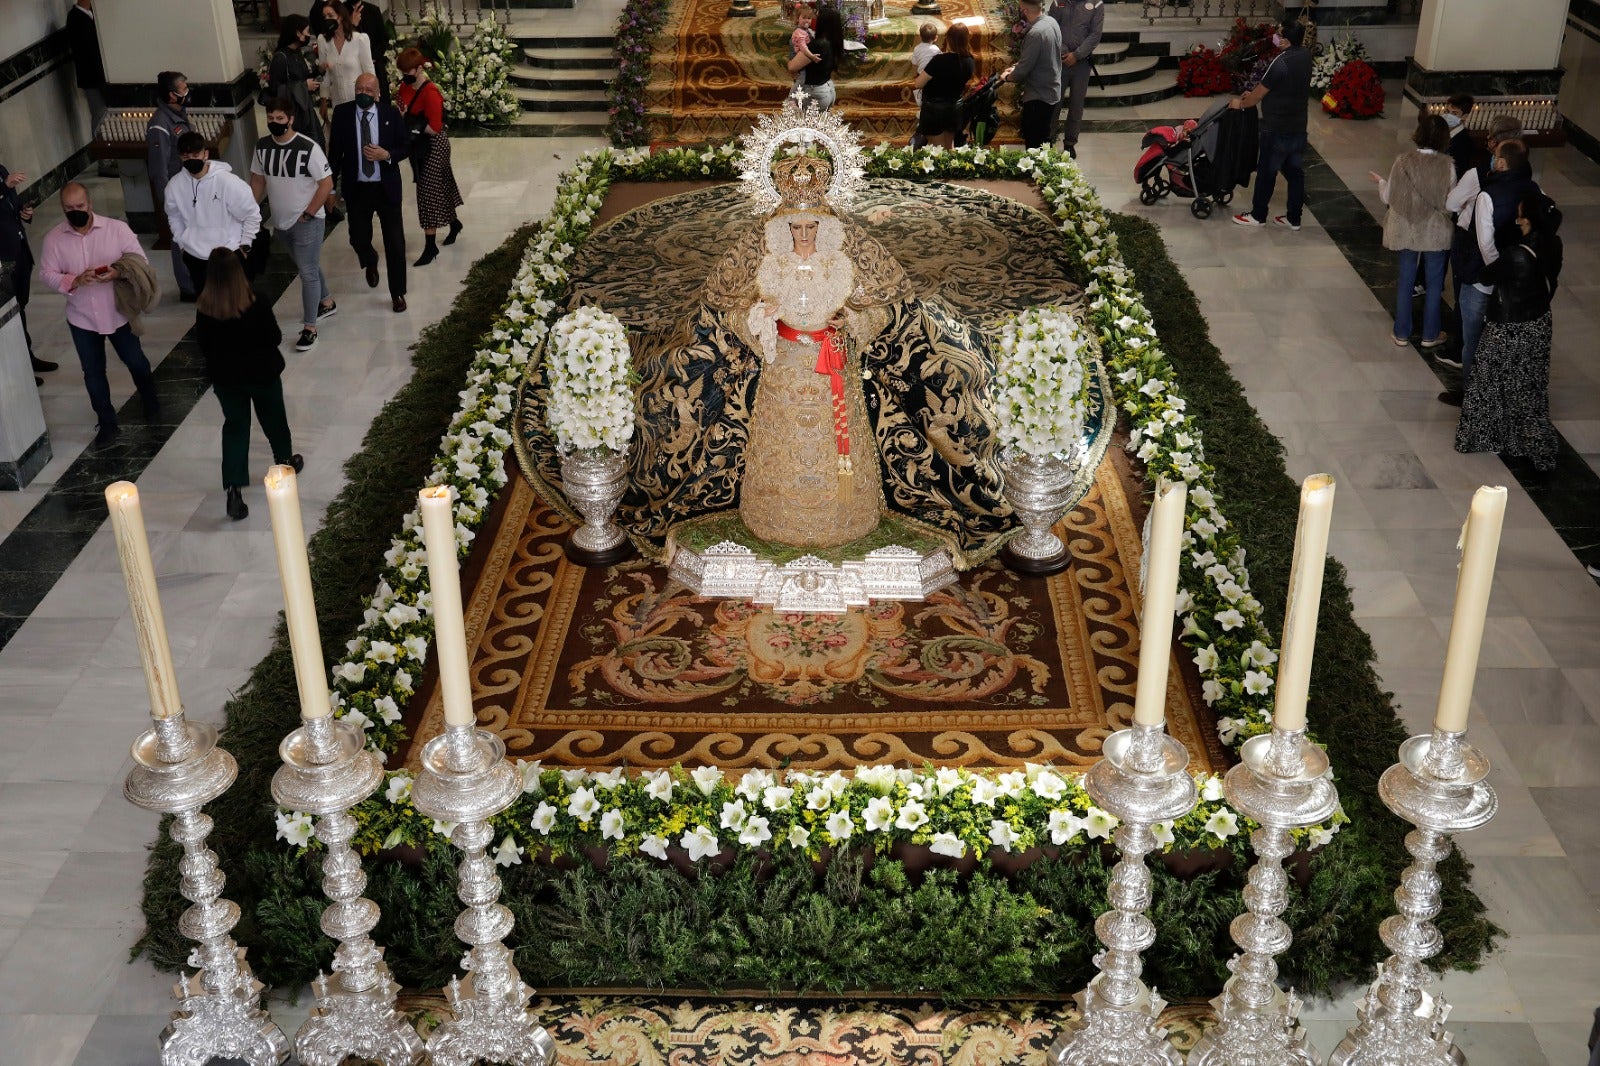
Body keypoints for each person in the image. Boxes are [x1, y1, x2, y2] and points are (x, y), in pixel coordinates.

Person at [38, 183, 160, 448]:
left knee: (136, 361)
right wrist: (74, 279)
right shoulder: (54, 238)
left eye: (79, 207)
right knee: (92, 373)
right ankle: (107, 423)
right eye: (69, 209)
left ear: (90, 204)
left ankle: (150, 400)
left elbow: (140, 261)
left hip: (117, 312)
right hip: (82, 317)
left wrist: (117, 272)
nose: (75, 212)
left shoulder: (116, 230)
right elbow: (47, 274)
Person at [1454, 192, 1562, 471]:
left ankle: (1492, 436)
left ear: (1524, 219)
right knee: (1528, 384)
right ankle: (1524, 440)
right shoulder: (1553, 243)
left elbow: (1487, 275)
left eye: (1519, 211)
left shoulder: (1517, 255)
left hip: (1509, 326)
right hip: (1538, 323)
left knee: (1489, 380)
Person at [195, 248, 303, 521]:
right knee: (274, 419)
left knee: (235, 428)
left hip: (227, 380)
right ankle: (284, 462)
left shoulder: (205, 309)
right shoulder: (257, 301)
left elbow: (204, 347)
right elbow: (275, 337)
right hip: (262, 374)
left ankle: (233, 488)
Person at [1439, 139, 1539, 399]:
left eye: (1495, 155)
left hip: (1483, 277)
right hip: (1515, 279)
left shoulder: (1488, 194)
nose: (1491, 159)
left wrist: (1497, 274)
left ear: (1502, 163)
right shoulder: (1534, 188)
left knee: (1472, 338)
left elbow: (1485, 243)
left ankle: (1471, 396)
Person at [251, 97, 337, 351]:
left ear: (290, 119)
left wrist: (309, 213)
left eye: (280, 118)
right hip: (281, 223)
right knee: (306, 264)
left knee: (307, 271)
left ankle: (310, 328)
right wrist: (251, 209)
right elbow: (257, 179)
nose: (274, 123)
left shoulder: (307, 147)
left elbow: (327, 183)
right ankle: (327, 302)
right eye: (270, 118)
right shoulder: (262, 146)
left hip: (306, 221)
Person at [1369, 113, 1454, 350]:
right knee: (1434, 284)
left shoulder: (1402, 161)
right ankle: (1430, 334)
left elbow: (1389, 197)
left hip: (1405, 228)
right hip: (1435, 231)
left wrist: (1381, 182)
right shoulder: (1447, 165)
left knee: (1406, 281)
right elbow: (1450, 203)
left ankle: (1401, 333)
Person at [328, 72, 410, 312]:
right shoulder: (343, 114)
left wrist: (387, 155)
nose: (363, 94)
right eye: (359, 89)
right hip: (358, 189)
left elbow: (405, 146)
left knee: (395, 243)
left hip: (386, 188)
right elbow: (334, 155)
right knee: (358, 237)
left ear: (377, 94)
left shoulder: (390, 114)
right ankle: (370, 259)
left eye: (368, 90)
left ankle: (397, 293)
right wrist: (331, 188)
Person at [1229, 18, 1312, 230]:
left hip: (1276, 127)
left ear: (1285, 40)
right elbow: (1282, 86)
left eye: (1279, 33)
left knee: (1267, 171)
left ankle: (1258, 215)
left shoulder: (1281, 62)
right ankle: (1294, 218)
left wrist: (1240, 103)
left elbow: (1258, 95)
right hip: (1298, 125)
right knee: (1294, 172)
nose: (1275, 36)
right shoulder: (1305, 56)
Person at [165, 131, 261, 298]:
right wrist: (182, 241)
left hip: (227, 254)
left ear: (205, 154)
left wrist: (245, 244)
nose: (192, 160)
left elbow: (252, 214)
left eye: (196, 155)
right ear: (180, 157)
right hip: (195, 255)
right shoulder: (174, 185)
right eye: (186, 157)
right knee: (207, 306)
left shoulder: (228, 182)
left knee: (235, 304)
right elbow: (173, 215)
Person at [395, 48, 464, 267]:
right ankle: (454, 224)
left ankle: (430, 245)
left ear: (418, 69)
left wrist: (409, 119)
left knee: (426, 191)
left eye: (407, 71)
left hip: (434, 145)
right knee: (440, 187)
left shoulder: (431, 92)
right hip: (418, 145)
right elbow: (401, 108)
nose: (404, 75)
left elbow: (435, 128)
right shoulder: (404, 86)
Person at [0, 163, 57, 384]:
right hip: (3, 258)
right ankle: (19, 369)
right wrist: (4, 187)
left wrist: (23, 211)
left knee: (20, 307)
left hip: (18, 249)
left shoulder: (1, 169)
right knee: (9, 313)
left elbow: (8, 204)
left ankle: (28, 357)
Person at [146, 71, 196, 300]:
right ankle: (188, 286)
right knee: (181, 240)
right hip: (178, 193)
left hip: (192, 188)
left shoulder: (179, 115)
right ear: (171, 94)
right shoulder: (159, 124)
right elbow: (159, 169)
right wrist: (168, 202)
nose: (187, 92)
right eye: (183, 88)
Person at [1000, 0, 1061, 151]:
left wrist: (1007, 77)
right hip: (1051, 91)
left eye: (1021, 9)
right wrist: (1015, 66)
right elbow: (1041, 57)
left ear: (1025, 11)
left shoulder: (1035, 33)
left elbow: (1022, 71)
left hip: (1038, 97)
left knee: (1035, 145)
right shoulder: (1051, 22)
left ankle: (1036, 174)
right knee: (1043, 140)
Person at [1051, 0, 1103, 158]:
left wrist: (1077, 54)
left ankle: (1069, 144)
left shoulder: (1096, 4)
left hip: (1081, 64)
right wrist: (1064, 51)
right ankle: (1049, 139)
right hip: (1060, 61)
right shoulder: (1058, 2)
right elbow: (1052, 28)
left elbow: (1095, 35)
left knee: (1076, 104)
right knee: (1054, 102)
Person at [316, 0, 375, 128]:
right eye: (324, 17)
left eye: (330, 15)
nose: (327, 19)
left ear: (340, 16)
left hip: (360, 99)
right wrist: (323, 100)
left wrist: (375, 98)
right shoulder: (323, 40)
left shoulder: (360, 39)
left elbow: (369, 72)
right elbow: (324, 75)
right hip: (338, 101)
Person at [66, 0, 110, 169]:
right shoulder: (76, 18)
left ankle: (108, 154)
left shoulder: (91, 15)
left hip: (100, 77)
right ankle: (103, 160)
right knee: (99, 115)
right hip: (92, 78)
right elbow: (86, 53)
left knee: (104, 114)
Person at [914, 25, 974, 151]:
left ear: (948, 39)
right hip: (954, 109)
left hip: (934, 110)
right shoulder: (969, 61)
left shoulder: (939, 60)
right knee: (949, 148)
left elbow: (918, 84)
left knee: (938, 151)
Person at [269, 16, 324, 147]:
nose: (309, 35)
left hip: (305, 108)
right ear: (297, 33)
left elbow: (301, 77)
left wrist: (318, 71)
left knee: (317, 143)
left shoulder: (297, 53)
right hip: (293, 114)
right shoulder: (280, 58)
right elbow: (275, 90)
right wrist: (304, 86)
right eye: (306, 31)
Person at [789, 5, 842, 112]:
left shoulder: (817, 45)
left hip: (815, 94)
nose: (811, 21)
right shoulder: (833, 40)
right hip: (828, 88)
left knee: (802, 125)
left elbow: (792, 67)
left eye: (815, 18)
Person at [349, 0, 391, 102]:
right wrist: (352, 25)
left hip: (375, 63)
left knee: (381, 101)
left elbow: (384, 39)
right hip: (352, 67)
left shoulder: (373, 10)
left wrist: (372, 57)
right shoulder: (342, 10)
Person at [908, 22, 940, 149]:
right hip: (933, 78)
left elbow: (914, 62)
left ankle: (922, 113)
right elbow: (940, 61)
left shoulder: (917, 48)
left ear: (920, 36)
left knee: (922, 96)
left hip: (921, 76)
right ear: (936, 37)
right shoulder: (936, 49)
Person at [1443, 93, 1479, 179]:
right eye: (1447, 112)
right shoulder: (1442, 135)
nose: (1449, 116)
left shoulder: (1464, 141)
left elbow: (1459, 171)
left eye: (1454, 113)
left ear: (1465, 116)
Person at [790, 5, 820, 94]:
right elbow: (803, 47)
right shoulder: (799, 32)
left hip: (802, 56)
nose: (807, 20)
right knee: (801, 79)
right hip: (798, 56)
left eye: (809, 18)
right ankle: (792, 98)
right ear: (797, 19)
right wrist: (812, 56)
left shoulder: (806, 30)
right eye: (804, 18)